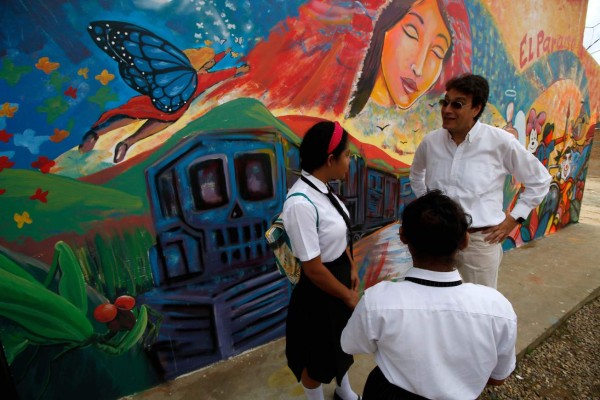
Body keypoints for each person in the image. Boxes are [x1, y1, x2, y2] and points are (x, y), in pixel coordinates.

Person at [341, 190, 517, 399]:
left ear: (403, 237)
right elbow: (498, 377)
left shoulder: (378, 301)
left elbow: (350, 344)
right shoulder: (497, 308)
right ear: (465, 240)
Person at [409, 74, 552, 288]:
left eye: (457, 104)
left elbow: (540, 180)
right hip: (435, 240)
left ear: (476, 109)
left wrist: (514, 219)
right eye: (445, 102)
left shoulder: (500, 142)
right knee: (434, 301)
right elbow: (416, 174)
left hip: (478, 244)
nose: (447, 110)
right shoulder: (431, 142)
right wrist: (427, 206)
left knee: (478, 306)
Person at [282, 121, 361, 400]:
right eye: (347, 155)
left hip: (338, 275)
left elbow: (340, 232)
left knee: (343, 343)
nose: (349, 161)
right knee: (318, 359)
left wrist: (351, 266)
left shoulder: (323, 189)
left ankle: (344, 390)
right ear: (330, 160)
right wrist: (348, 297)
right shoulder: (300, 204)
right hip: (320, 291)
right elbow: (313, 269)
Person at [79, 47, 249, 163]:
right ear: (203, 65)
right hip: (171, 111)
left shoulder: (177, 73)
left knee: (131, 114)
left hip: (155, 101)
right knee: (156, 122)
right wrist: (241, 70)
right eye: (210, 62)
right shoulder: (201, 78)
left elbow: (214, 62)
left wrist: (225, 52)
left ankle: (97, 133)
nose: (212, 64)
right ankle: (128, 142)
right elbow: (224, 73)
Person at [347, 0, 471, 117]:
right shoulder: (342, 99)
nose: (418, 68)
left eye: (437, 52)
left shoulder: (421, 127)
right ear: (385, 25)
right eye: (411, 33)